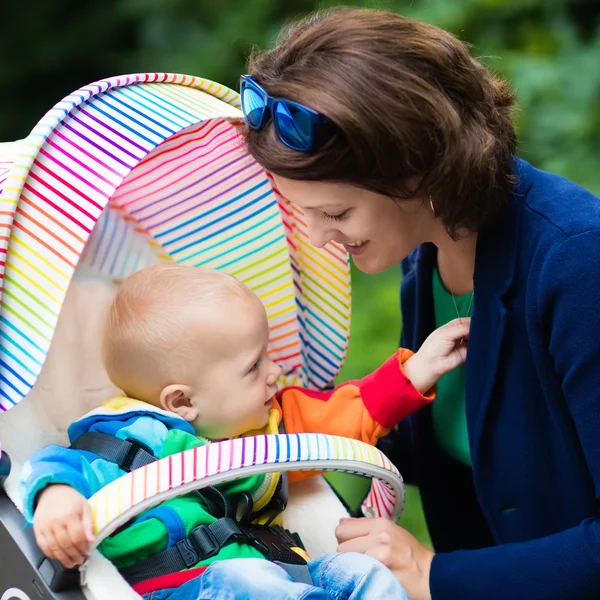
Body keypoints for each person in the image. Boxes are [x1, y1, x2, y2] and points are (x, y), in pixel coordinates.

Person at [240, 6, 600, 600]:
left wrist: (435, 575)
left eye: (335, 213)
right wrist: (269, 436)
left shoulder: (579, 265)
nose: (320, 237)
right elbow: (462, 439)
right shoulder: (430, 250)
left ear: (416, 171)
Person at [21, 264, 469, 599]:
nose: (275, 374)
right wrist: (57, 500)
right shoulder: (130, 441)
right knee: (246, 578)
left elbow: (348, 413)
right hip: (191, 589)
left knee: (362, 571)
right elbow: (56, 465)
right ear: (182, 402)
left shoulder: (267, 427)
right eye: (253, 366)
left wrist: (416, 372)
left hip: (281, 578)